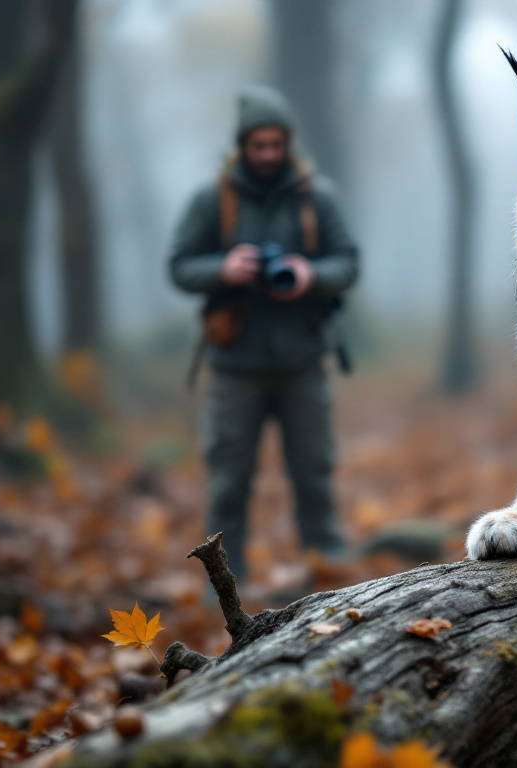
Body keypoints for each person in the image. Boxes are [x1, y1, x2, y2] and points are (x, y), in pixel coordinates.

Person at [169, 85, 358, 582]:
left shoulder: (318, 196)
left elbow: (348, 262)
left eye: (277, 144)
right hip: (235, 365)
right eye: (259, 145)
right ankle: (224, 583)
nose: (269, 154)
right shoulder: (212, 198)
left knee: (314, 473)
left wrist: (308, 276)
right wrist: (224, 269)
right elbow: (179, 267)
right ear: (243, 144)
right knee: (229, 479)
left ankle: (328, 567)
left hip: (303, 360)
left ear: (290, 141)